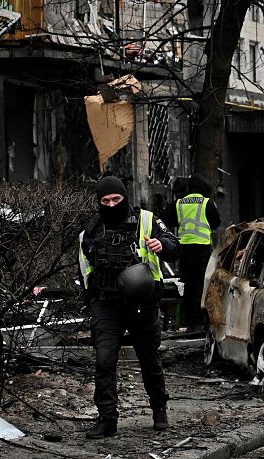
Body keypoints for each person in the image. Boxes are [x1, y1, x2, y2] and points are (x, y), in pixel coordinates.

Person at [78, 176, 179, 439]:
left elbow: (173, 244)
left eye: (116, 199)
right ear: (99, 202)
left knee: (149, 360)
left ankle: (159, 409)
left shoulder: (146, 220)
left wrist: (160, 245)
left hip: (141, 304)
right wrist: (92, 299)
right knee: (104, 361)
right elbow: (85, 268)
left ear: (125, 198)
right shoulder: (91, 230)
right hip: (106, 304)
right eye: (105, 200)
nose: (111, 204)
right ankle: (107, 420)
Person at [163, 174, 221, 330]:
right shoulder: (207, 203)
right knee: (202, 285)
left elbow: (165, 220)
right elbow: (216, 223)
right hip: (202, 250)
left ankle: (190, 321)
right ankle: (202, 320)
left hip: (184, 250)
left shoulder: (179, 203)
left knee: (188, 286)